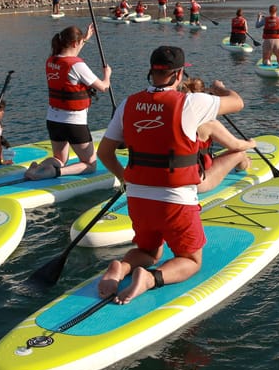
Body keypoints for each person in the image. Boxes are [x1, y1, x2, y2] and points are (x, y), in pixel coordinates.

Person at [96, 46, 247, 304]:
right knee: (191, 260)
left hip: (138, 200)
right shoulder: (191, 102)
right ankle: (149, 278)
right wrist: (220, 88)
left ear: (151, 72)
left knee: (148, 251)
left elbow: (105, 153)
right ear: (178, 75)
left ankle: (121, 268)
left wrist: (125, 178)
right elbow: (238, 102)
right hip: (176, 202)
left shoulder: (127, 104)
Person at [24, 24, 112, 180]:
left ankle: (39, 168)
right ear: (74, 43)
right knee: (90, 164)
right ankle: (55, 172)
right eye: (80, 42)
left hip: (53, 120)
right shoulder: (77, 65)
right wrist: (107, 74)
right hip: (73, 123)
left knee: (60, 159)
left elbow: (70, 57)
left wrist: (84, 39)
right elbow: (104, 87)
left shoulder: (51, 60)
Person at [181, 77, 257, 192]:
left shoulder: (174, 117)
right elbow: (237, 145)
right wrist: (251, 144)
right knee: (240, 152)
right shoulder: (209, 124)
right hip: (199, 182)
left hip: (175, 175)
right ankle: (243, 165)